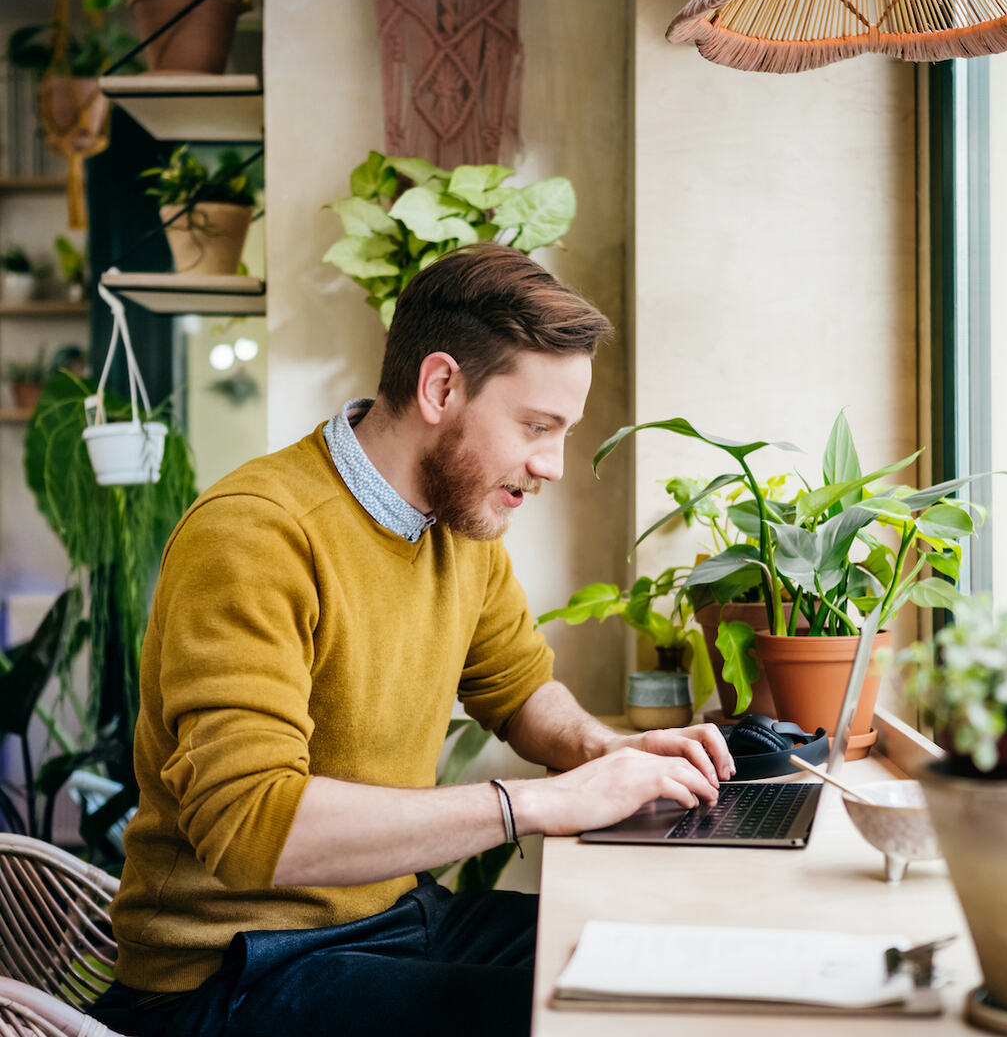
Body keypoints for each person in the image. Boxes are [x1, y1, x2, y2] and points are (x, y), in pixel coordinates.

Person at [91, 244, 734, 1037]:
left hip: (389, 918)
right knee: (579, 1021)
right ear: (440, 387)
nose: (554, 465)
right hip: (227, 974)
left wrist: (605, 755)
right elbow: (251, 824)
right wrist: (541, 802)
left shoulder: (461, 527)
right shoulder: (256, 534)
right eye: (537, 426)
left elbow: (520, 689)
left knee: (654, 969)